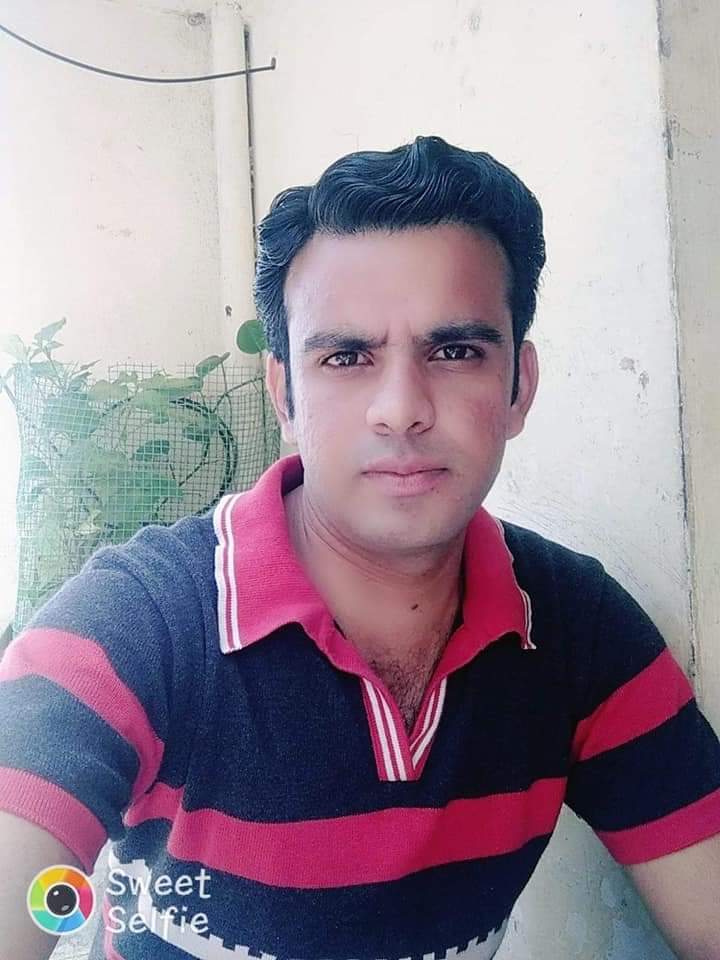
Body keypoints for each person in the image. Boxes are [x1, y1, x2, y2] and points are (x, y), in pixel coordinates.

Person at [1, 135, 719, 960]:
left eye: (455, 351)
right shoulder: (136, 627)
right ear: (285, 394)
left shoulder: (576, 628)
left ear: (519, 385)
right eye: (346, 356)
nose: (400, 408)